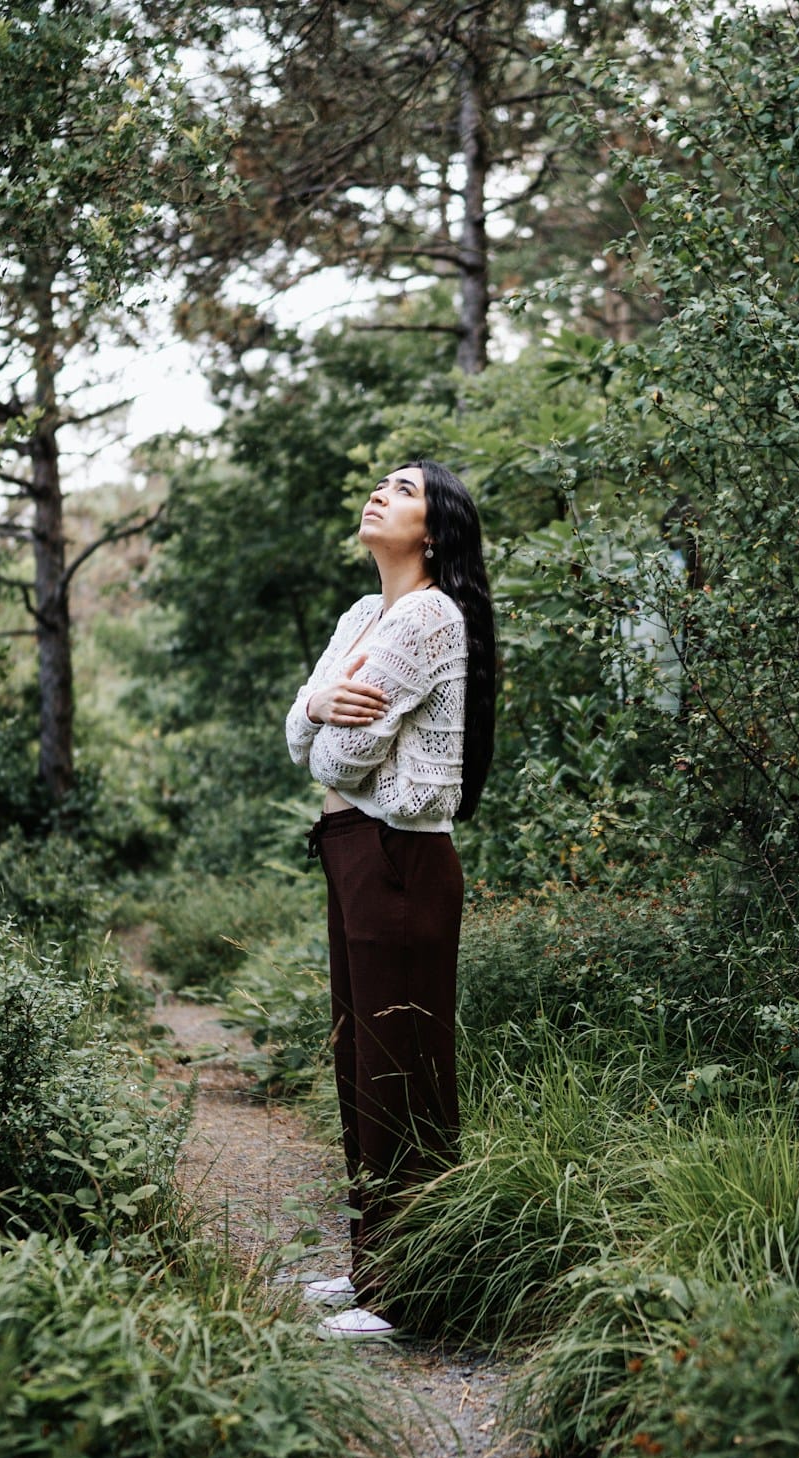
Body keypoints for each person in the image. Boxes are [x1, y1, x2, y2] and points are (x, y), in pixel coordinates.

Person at [285, 460, 497, 1340]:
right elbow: (301, 729)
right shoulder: (361, 616)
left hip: (399, 857)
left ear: (435, 532)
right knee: (359, 1062)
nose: (381, 491)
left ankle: (410, 1292)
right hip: (353, 851)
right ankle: (378, 1262)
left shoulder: (426, 616)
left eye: (406, 489)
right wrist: (316, 705)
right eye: (382, 482)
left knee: (401, 1071)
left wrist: (318, 717)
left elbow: (332, 759)